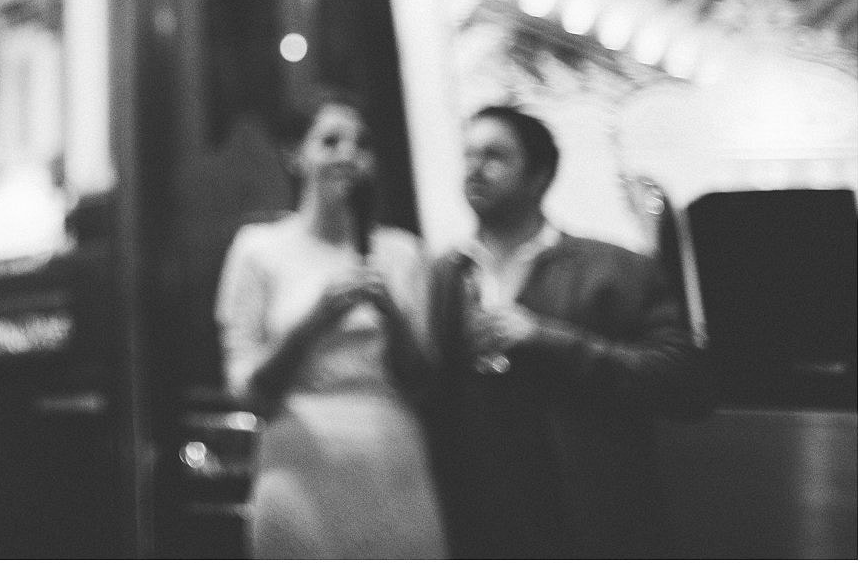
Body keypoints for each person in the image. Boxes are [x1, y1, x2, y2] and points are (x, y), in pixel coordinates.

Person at [425, 104, 714, 558]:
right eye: (468, 155)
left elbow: (683, 383)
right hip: (484, 524)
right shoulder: (447, 273)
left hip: (593, 520)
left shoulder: (614, 268)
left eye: (494, 156)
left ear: (540, 176)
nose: (475, 169)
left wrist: (544, 339)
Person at [213, 89, 445, 559]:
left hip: (391, 459)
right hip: (300, 465)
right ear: (295, 155)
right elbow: (247, 391)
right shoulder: (258, 249)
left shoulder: (403, 253)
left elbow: (423, 383)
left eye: (362, 144)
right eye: (331, 142)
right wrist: (315, 321)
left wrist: (392, 315)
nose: (349, 156)